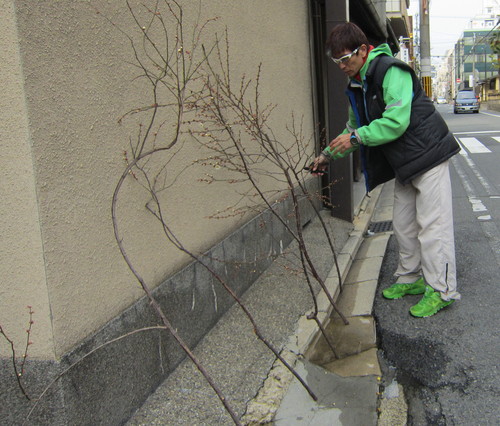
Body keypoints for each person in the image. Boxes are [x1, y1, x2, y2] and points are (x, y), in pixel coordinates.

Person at [312, 22, 461, 318]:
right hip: (403, 161)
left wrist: (356, 137)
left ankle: (442, 289)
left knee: (433, 226)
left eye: (346, 58)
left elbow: (395, 122)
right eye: (336, 60)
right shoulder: (356, 83)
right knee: (404, 224)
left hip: (428, 154)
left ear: (364, 50)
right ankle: (411, 277)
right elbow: (354, 128)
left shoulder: (391, 70)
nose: (342, 66)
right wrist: (327, 154)